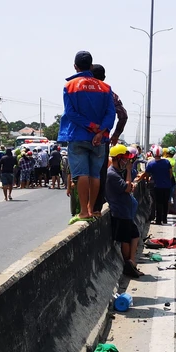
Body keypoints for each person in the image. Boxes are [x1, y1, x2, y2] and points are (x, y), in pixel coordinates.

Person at [59, 50, 117, 223]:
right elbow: (111, 113)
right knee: (95, 175)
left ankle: (84, 211)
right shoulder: (105, 87)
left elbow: (71, 113)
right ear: (91, 66)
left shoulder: (69, 86)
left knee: (81, 174)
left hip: (78, 135)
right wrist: (100, 131)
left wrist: (89, 126)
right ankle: (93, 209)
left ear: (75, 67)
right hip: (99, 139)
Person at [90, 64, 129, 214]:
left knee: (82, 175)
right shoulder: (109, 93)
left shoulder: (81, 92)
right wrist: (116, 135)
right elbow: (123, 116)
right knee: (100, 173)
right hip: (103, 138)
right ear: (104, 78)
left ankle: (84, 209)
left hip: (82, 136)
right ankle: (96, 208)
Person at [104, 145, 143, 278]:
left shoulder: (116, 172)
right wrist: (128, 171)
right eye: (125, 159)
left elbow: (128, 186)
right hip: (120, 212)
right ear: (118, 158)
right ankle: (128, 265)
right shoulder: (112, 174)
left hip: (126, 211)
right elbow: (127, 188)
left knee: (135, 235)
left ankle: (131, 262)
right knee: (125, 239)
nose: (127, 162)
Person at [144, 145, 173, 225]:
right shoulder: (167, 162)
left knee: (158, 203)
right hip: (167, 186)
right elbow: (170, 173)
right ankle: (165, 219)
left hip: (158, 186)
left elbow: (146, 175)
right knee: (165, 203)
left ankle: (158, 220)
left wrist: (147, 181)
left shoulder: (151, 164)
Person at [166, 147, 176, 215]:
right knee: (175, 197)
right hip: (173, 181)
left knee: (167, 197)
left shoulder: (165, 160)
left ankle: (167, 211)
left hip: (166, 181)